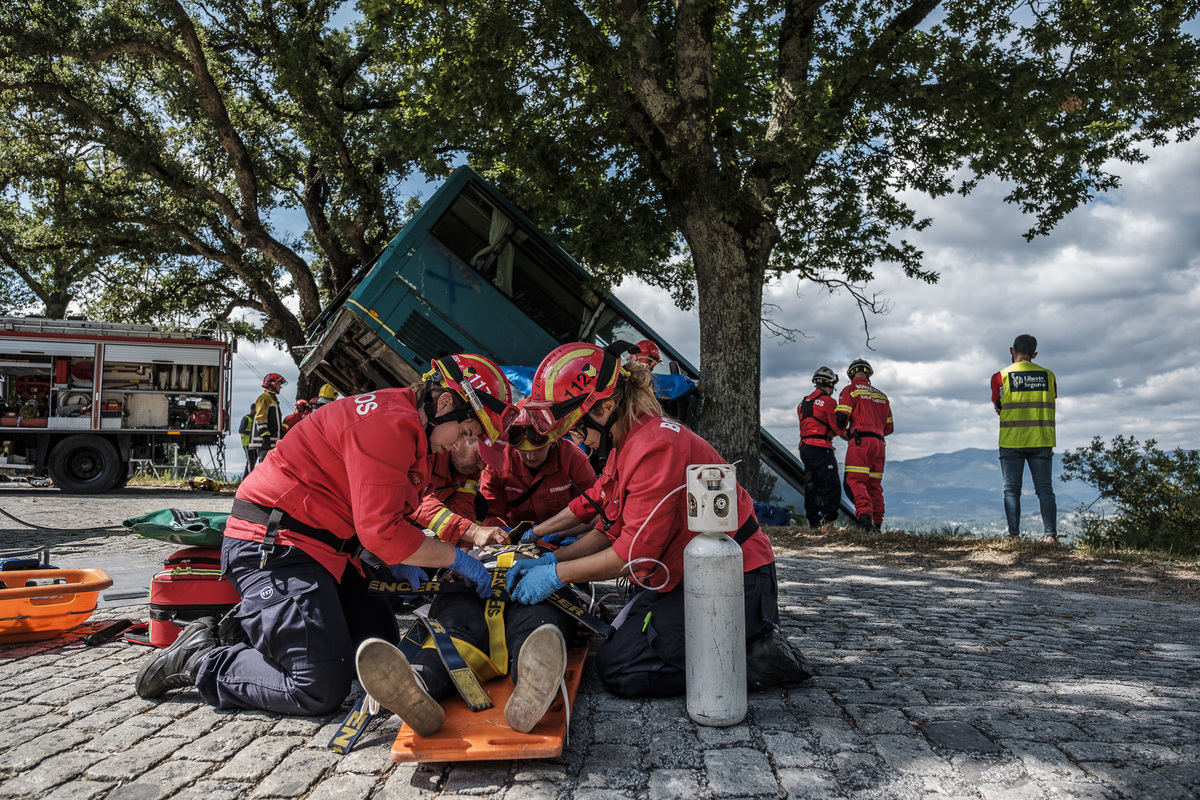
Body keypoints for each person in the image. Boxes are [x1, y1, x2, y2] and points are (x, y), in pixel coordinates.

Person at [133, 353, 519, 716]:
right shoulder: (390, 426)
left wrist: (414, 555)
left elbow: (391, 513)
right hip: (274, 547)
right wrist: (457, 559)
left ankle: (262, 629)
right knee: (317, 685)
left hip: (324, 552)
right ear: (445, 402)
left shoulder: (411, 430)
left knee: (375, 648)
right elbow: (382, 533)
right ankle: (201, 659)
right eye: (466, 431)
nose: (460, 444)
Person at [505, 342, 812, 698]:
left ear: (605, 408)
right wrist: (551, 558)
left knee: (621, 667)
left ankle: (757, 659)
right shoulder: (627, 443)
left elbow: (633, 556)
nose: (577, 438)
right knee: (620, 637)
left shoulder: (655, 448)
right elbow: (607, 527)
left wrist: (556, 574)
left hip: (734, 580)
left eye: (575, 428)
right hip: (692, 575)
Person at [355, 545, 581, 736]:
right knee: (452, 631)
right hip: (467, 586)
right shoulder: (471, 551)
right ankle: (417, 684)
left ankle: (532, 686)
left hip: (535, 583)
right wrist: (453, 567)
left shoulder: (552, 552)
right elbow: (445, 548)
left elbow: (580, 566)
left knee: (535, 626)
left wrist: (560, 576)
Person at [479, 409, 597, 537]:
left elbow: (593, 510)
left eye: (537, 450)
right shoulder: (497, 464)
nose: (530, 456)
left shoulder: (574, 460)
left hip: (566, 534)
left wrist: (560, 534)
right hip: (518, 537)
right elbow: (492, 515)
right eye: (523, 451)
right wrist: (504, 535)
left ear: (552, 441)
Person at [991, 334, 1058, 543]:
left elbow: (997, 403)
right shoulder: (1048, 376)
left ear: (1012, 351)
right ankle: (1050, 536)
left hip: (1012, 440)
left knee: (1011, 490)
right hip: (1041, 439)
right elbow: (1051, 397)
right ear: (1034, 354)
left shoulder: (1000, 376)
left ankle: (1014, 536)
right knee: (1045, 489)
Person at [412, 439, 511, 548]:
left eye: (486, 462)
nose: (481, 467)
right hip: (404, 517)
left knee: (479, 503)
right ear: (465, 436)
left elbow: (464, 506)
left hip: (426, 515)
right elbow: (416, 501)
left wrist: (464, 548)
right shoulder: (426, 450)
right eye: (479, 456)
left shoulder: (469, 470)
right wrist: (474, 532)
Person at [835, 358, 893, 531]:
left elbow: (841, 418)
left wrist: (844, 432)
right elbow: (889, 427)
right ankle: (877, 524)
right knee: (874, 485)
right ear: (869, 375)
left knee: (854, 481)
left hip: (861, 442)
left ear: (850, 375)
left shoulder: (850, 390)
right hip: (879, 444)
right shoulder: (882, 396)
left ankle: (865, 521)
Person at [798, 366, 846, 528]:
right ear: (830, 384)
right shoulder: (829, 402)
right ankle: (828, 520)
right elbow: (837, 427)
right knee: (831, 483)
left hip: (805, 447)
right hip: (820, 447)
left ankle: (813, 521)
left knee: (812, 484)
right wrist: (851, 437)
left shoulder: (803, 402)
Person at [249, 373, 286, 464]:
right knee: (266, 465)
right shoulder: (265, 398)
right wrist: (265, 436)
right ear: (273, 384)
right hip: (264, 442)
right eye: (279, 384)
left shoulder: (272, 398)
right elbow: (260, 417)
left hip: (270, 442)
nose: (280, 387)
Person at [239, 403, 257, 477]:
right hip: (247, 443)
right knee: (251, 461)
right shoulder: (246, 419)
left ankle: (245, 478)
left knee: (252, 461)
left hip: (254, 444)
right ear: (253, 409)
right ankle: (251, 478)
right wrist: (252, 432)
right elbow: (241, 430)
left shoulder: (255, 419)